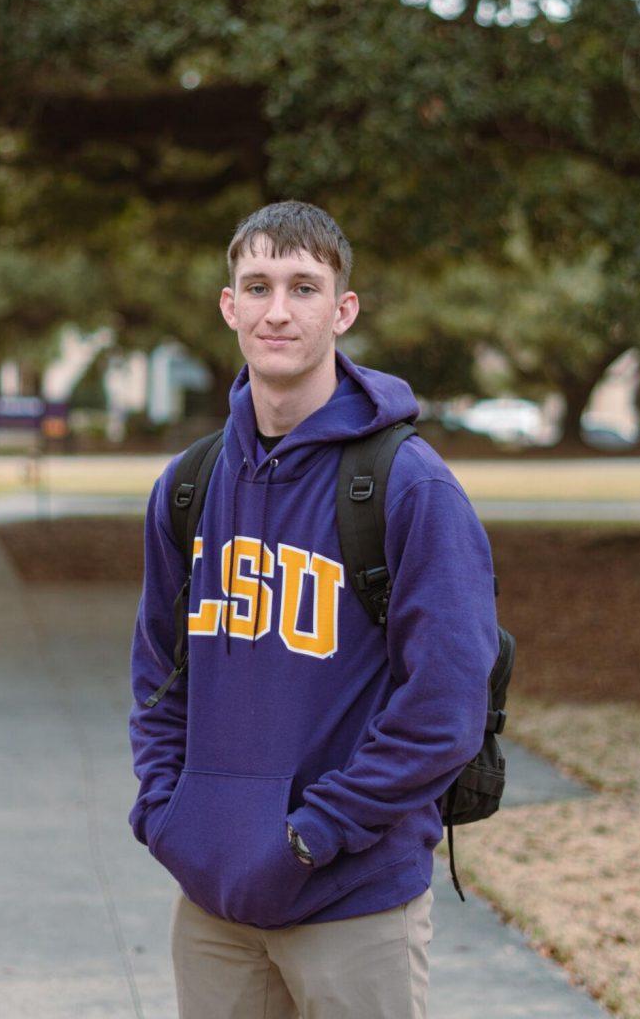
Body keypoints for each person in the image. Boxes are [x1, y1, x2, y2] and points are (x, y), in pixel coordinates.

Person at [128, 200, 499, 1019]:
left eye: (304, 286)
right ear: (229, 307)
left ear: (343, 309)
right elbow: (157, 677)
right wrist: (166, 814)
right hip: (215, 908)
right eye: (256, 286)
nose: (278, 310)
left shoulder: (411, 487)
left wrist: (313, 835)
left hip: (354, 903)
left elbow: (445, 709)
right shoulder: (188, 485)